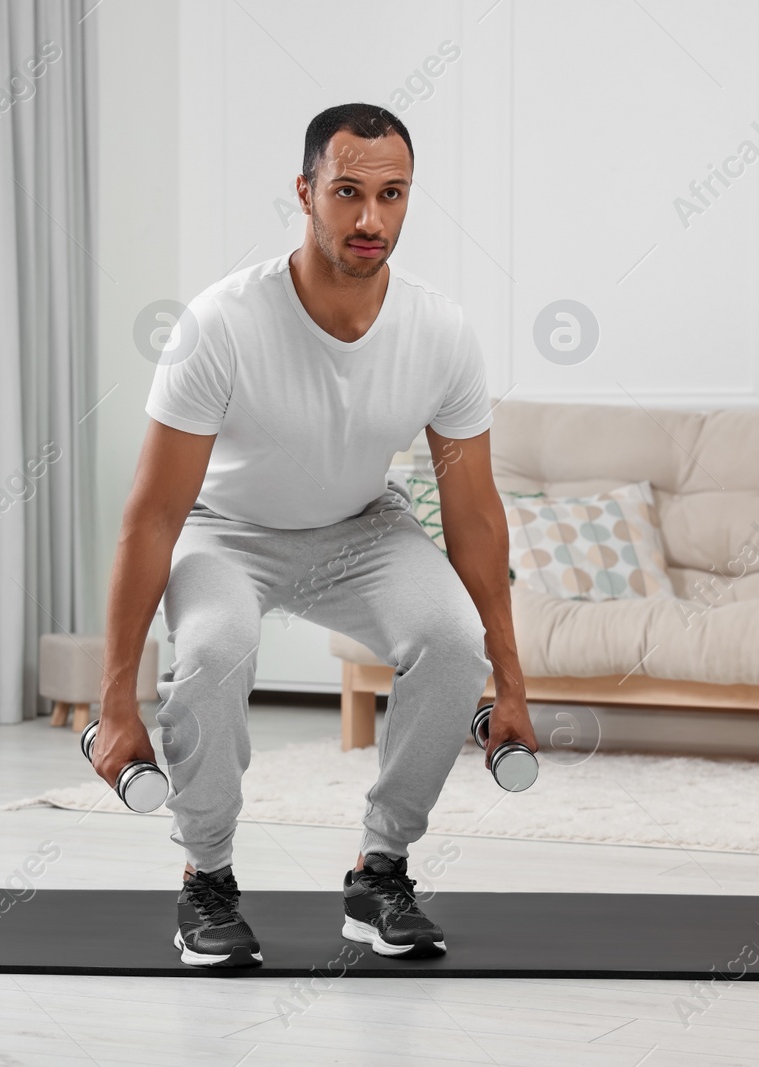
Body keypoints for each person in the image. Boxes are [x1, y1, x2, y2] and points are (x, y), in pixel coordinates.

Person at [90, 102, 537, 967]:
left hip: (362, 530)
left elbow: (475, 515)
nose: (371, 219)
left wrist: (510, 678)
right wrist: (116, 700)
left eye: (392, 194)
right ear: (305, 192)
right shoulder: (220, 325)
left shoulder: (439, 331)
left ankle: (381, 873)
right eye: (347, 192)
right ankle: (206, 881)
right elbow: (151, 517)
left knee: (451, 638)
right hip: (228, 531)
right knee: (216, 647)